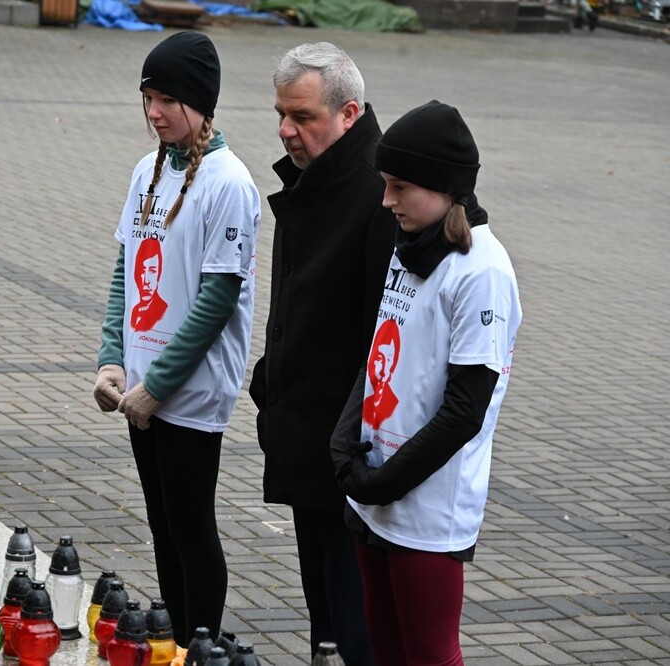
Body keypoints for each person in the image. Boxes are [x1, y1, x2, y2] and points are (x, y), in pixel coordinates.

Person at [330, 100, 522, 665]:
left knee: (430, 656)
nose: (386, 200)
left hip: (425, 507)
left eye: (399, 187)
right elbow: (378, 352)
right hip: (374, 488)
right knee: (383, 651)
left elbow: (465, 411)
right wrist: (345, 447)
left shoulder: (481, 271)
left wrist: (386, 482)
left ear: (444, 188)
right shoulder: (409, 243)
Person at [92, 31, 261, 647]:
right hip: (140, 387)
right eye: (148, 97)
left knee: (191, 528)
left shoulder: (230, 183)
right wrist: (113, 358)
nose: (154, 111)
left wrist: (157, 387)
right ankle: (172, 646)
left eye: (167, 98)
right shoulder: (148, 169)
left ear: (200, 102)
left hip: (188, 394)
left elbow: (217, 301)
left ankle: (202, 650)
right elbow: (125, 270)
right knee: (162, 528)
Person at [248, 42, 396, 665]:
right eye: (281, 114)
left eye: (303, 117)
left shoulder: (379, 194)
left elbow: (380, 334)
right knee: (325, 618)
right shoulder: (314, 178)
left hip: (350, 445)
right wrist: (270, 382)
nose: (287, 130)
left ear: (349, 113)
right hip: (305, 426)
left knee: (354, 612)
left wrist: (350, 437)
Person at [131, 238, 170, 332]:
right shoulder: (134, 310)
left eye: (152, 271)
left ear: (159, 274)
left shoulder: (163, 309)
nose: (146, 280)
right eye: (142, 271)